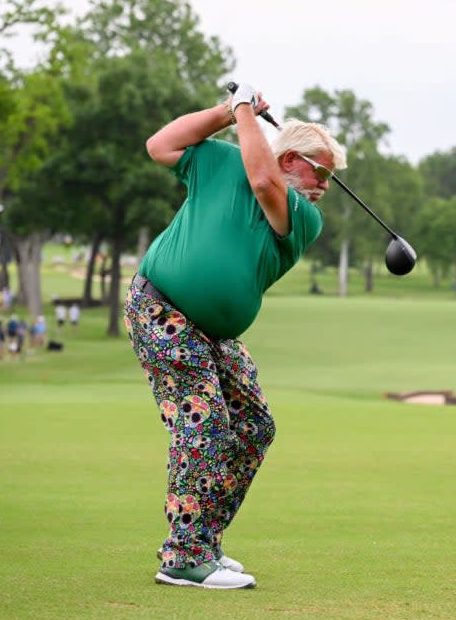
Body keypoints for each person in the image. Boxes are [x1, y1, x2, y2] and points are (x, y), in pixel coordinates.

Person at [124, 81, 346, 590]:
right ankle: (183, 558)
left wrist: (245, 108)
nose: (325, 186)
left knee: (254, 427)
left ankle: (203, 541)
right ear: (292, 157)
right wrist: (229, 110)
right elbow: (160, 146)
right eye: (322, 172)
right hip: (162, 309)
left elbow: (265, 184)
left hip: (216, 334)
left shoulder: (303, 217)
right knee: (204, 424)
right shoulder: (220, 161)